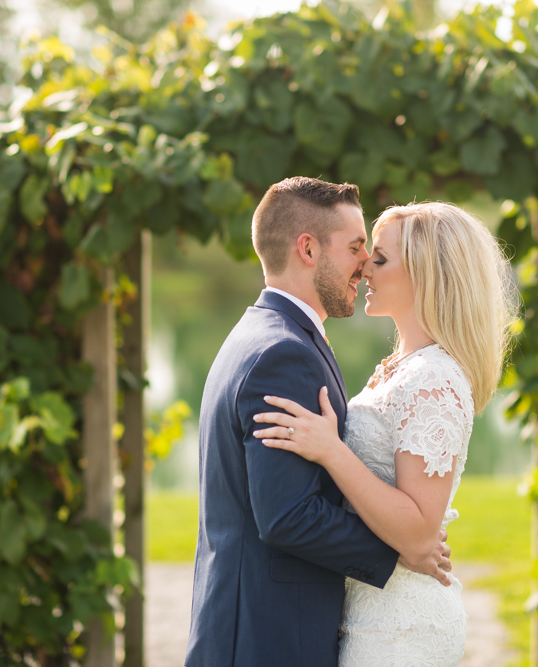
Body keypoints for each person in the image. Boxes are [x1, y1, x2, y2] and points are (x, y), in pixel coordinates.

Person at [184, 178, 453, 667]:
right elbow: (288, 515)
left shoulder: (265, 334)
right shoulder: (283, 354)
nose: (364, 264)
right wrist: (400, 552)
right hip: (268, 638)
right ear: (307, 249)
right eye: (354, 247)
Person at [253, 201, 517, 666]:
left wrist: (332, 451)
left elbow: (419, 533)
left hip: (402, 629)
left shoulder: (435, 379)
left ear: (426, 273)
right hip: (370, 609)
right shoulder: (402, 368)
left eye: (380, 258)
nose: (364, 269)